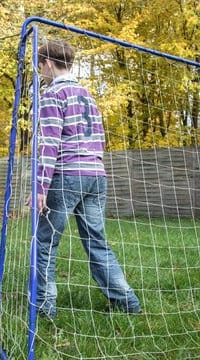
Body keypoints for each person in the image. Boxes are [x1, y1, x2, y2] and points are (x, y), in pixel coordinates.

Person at [26, 40, 141, 319]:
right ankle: (128, 303)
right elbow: (100, 138)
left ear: (49, 63)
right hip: (96, 175)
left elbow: (49, 142)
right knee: (96, 241)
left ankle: (44, 307)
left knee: (45, 242)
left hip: (67, 175)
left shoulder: (54, 93)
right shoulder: (87, 95)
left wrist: (40, 186)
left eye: (40, 66)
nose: (40, 71)